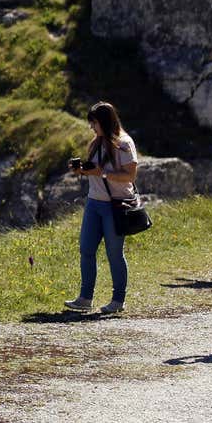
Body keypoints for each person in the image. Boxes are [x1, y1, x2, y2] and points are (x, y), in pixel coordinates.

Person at [64, 101, 140, 315]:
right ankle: (85, 298)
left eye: (94, 123)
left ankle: (118, 300)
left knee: (114, 253)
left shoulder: (125, 143)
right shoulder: (95, 143)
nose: (91, 127)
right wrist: (82, 171)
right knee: (86, 249)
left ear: (105, 122)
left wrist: (102, 174)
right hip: (94, 202)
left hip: (115, 204)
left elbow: (130, 176)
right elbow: (95, 170)